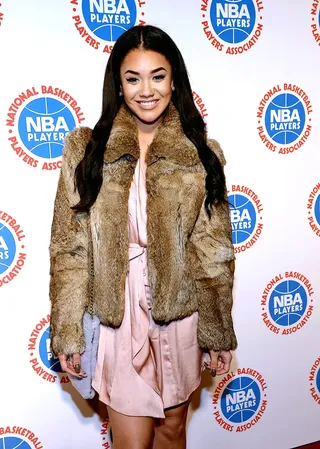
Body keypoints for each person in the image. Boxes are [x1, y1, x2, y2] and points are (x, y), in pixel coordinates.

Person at [49, 24, 237, 449]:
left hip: (178, 312)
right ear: (118, 82)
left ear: (175, 81)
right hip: (118, 315)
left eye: (158, 75)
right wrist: (67, 330)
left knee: (173, 432)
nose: (146, 89)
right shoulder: (86, 150)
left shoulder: (202, 154)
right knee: (132, 441)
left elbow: (212, 252)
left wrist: (217, 331)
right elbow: (71, 249)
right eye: (133, 78)